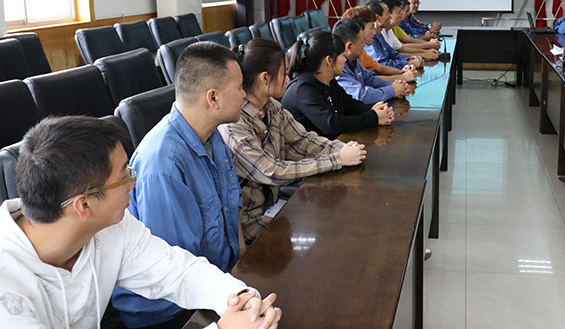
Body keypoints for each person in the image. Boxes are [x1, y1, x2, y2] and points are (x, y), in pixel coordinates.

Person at [0, 116, 280, 329]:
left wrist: (240, 298)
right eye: (124, 176)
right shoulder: (7, 288)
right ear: (84, 205)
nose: (133, 183)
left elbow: (178, 272)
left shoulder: (111, 225)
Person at [112, 42, 251, 328]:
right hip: (169, 310)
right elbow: (175, 272)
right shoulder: (162, 164)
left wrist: (242, 266)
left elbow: (230, 203)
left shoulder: (211, 135)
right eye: (239, 88)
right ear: (213, 98)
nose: (244, 95)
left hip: (217, 281)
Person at [220, 39, 367, 244]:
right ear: (265, 78)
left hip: (272, 208)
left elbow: (303, 141)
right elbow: (272, 171)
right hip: (249, 225)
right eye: (284, 74)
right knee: (327, 234)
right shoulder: (234, 124)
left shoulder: (272, 106)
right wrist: (337, 159)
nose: (288, 79)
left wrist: (344, 149)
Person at [282, 31, 394, 139]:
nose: (345, 60)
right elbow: (331, 124)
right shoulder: (303, 89)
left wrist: (374, 109)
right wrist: (374, 117)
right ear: (329, 60)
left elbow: (348, 104)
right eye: (342, 56)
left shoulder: (328, 80)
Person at [332, 18, 411, 103]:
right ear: (349, 47)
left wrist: (396, 86)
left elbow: (369, 80)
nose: (364, 45)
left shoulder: (353, 61)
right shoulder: (337, 68)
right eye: (362, 41)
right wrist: (392, 90)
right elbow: (361, 96)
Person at [341, 6, 416, 83]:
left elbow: (380, 68)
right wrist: (403, 77)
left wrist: (402, 71)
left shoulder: (362, 52)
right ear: (359, 29)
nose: (374, 32)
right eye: (371, 27)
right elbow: (369, 82)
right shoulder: (347, 57)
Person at [365, 0, 422, 70]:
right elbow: (382, 64)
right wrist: (408, 63)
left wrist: (408, 59)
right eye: (387, 13)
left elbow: (392, 53)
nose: (390, 16)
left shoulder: (379, 35)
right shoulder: (370, 38)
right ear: (378, 18)